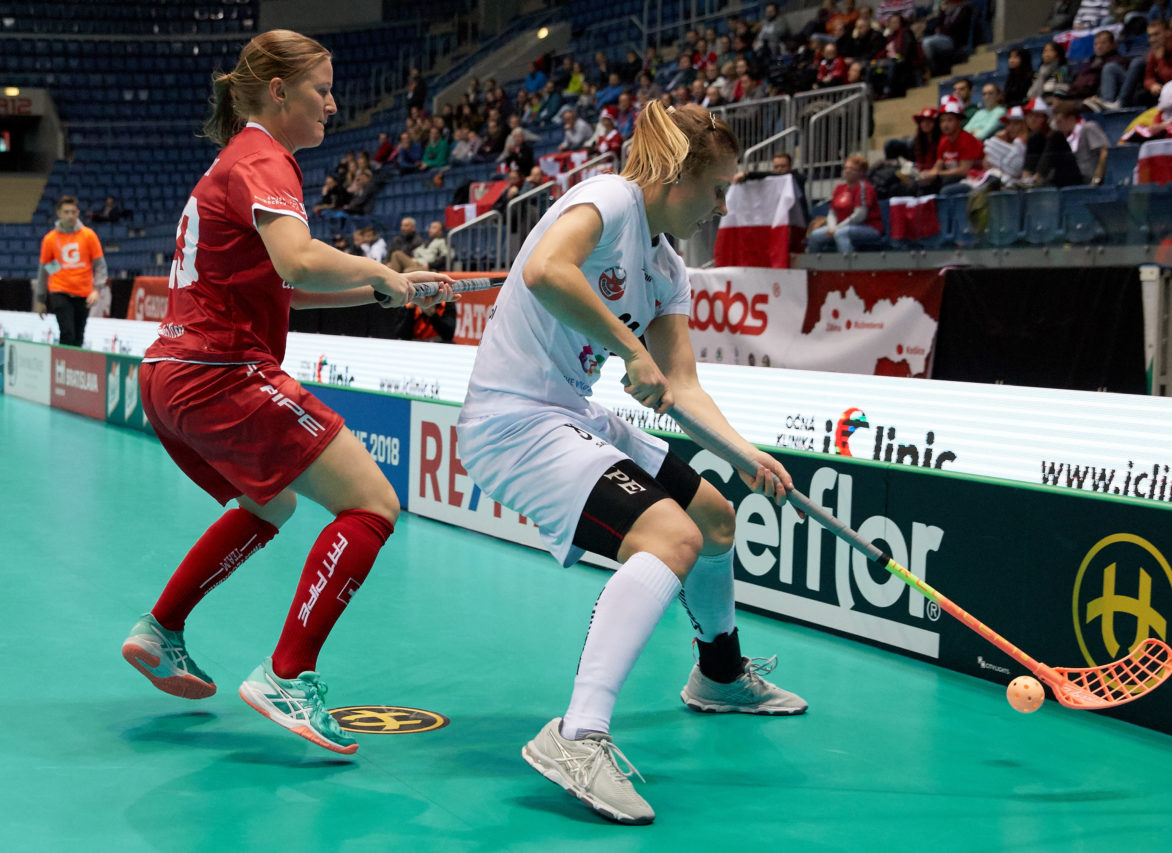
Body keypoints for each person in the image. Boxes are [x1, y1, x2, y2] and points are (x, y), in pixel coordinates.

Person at [455, 102, 807, 826]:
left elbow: (682, 386)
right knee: (671, 538)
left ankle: (719, 676)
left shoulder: (668, 266)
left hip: (573, 412)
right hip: (513, 422)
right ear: (678, 178)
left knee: (713, 518)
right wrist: (628, 348)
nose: (720, 207)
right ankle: (578, 736)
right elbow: (547, 269)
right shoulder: (610, 199)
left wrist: (745, 455)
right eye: (716, 189)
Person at [119, 30, 456, 756]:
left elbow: (286, 286)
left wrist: (386, 285)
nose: (333, 106)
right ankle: (288, 674)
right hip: (220, 371)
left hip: (170, 374)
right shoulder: (264, 158)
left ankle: (161, 627)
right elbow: (298, 259)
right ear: (278, 91)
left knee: (271, 503)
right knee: (372, 503)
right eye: (321, 90)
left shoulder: (236, 160)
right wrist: (378, 269)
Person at [36, 195, 106, 347]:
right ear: (59, 213)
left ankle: (73, 362)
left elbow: (100, 265)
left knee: (78, 336)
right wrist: (40, 299)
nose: (70, 216)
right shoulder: (50, 239)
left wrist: (97, 289)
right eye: (66, 212)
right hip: (60, 292)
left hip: (83, 294)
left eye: (73, 212)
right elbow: (43, 270)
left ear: (78, 213)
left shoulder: (88, 236)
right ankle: (63, 361)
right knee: (67, 333)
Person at [806, 154, 883, 253]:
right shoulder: (839, 188)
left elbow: (859, 216)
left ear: (861, 172)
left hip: (868, 227)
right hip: (840, 227)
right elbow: (832, 212)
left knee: (841, 233)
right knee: (815, 235)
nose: (847, 171)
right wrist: (832, 227)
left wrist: (837, 228)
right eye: (845, 168)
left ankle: (848, 263)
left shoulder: (865, 188)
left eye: (852, 169)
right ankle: (815, 262)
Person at [1031, 99, 1110, 187]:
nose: (1057, 126)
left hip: (1085, 175)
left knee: (1056, 136)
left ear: (1071, 119)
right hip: (1069, 174)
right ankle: (1035, 178)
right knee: (1038, 137)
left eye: (1060, 122)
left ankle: (1037, 177)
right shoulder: (1066, 136)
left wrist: (1096, 179)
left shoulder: (1088, 127)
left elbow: (1104, 153)